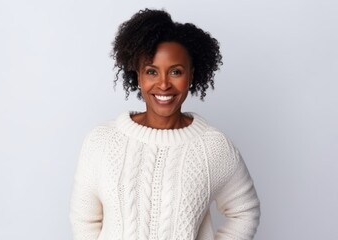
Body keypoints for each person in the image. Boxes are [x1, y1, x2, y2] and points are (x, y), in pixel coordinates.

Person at [70, 8, 260, 240]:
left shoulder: (213, 147)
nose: (163, 84)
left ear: (191, 76)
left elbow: (245, 211)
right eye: (151, 71)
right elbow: (84, 219)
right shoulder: (102, 141)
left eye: (175, 72)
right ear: (138, 75)